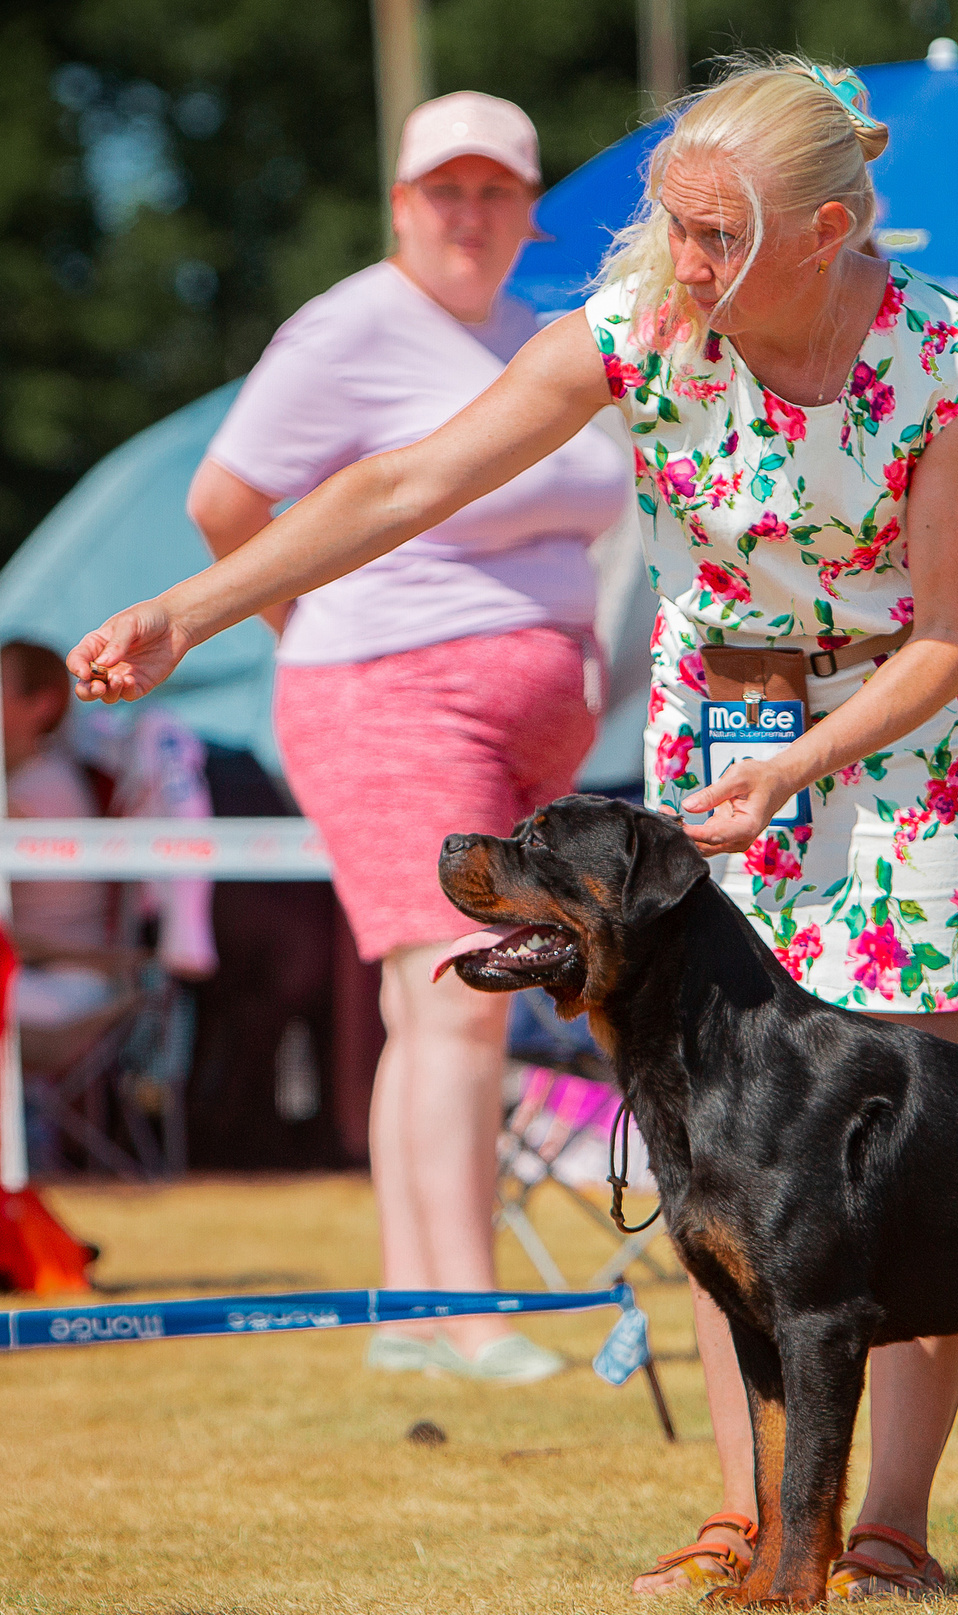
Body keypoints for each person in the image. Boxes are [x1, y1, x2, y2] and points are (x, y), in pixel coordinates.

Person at [70, 58, 958, 1600]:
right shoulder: (642, 324)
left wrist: (810, 761)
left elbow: (948, 642)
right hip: (722, 738)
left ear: (835, 226)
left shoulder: (949, 366)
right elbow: (411, 477)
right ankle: (752, 1516)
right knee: (728, 1134)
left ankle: (894, 1522)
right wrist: (190, 608)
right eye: (675, 227)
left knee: (905, 1134)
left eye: (723, 236)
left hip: (903, 743)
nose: (687, 263)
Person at [186, 92, 633, 1386]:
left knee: (422, 1002)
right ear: (400, 201)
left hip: (523, 719)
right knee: (463, 997)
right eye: (447, 189)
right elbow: (224, 497)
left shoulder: (532, 334)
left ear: (530, 208)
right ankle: (467, 1314)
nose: (471, 212)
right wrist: (299, 618)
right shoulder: (347, 327)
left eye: (496, 190)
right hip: (388, 697)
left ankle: (411, 1307)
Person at [1, 640, 122, 1031]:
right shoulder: (45, 777)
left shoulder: (33, 793)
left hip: (60, 980)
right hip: (57, 973)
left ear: (43, 705)